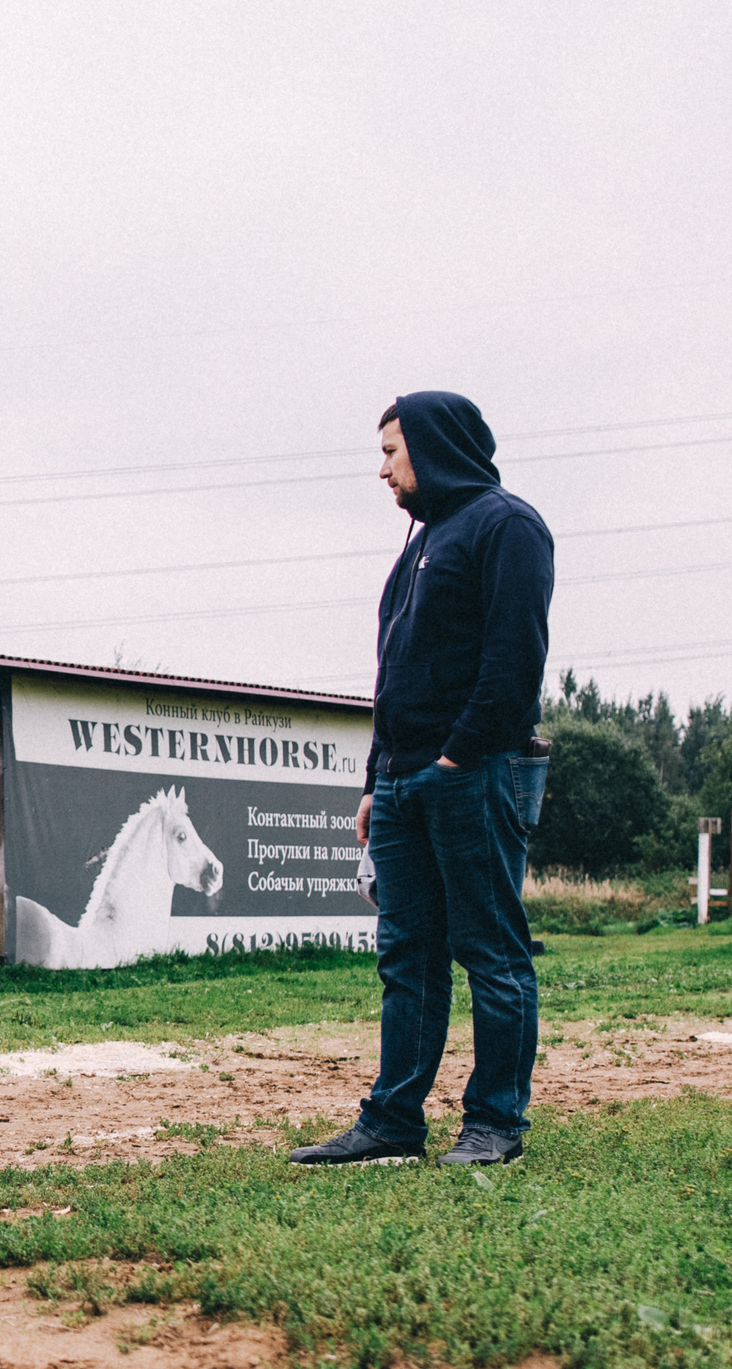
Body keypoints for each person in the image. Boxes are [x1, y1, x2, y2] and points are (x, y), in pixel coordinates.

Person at [291, 393, 553, 1169]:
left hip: (471, 776)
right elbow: (393, 678)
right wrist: (378, 781)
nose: (382, 470)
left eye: (391, 452)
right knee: (407, 956)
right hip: (403, 787)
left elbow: (514, 666)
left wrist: (454, 760)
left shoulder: (508, 527)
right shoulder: (421, 543)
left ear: (433, 448)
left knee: (491, 951)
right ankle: (393, 1123)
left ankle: (495, 1123)